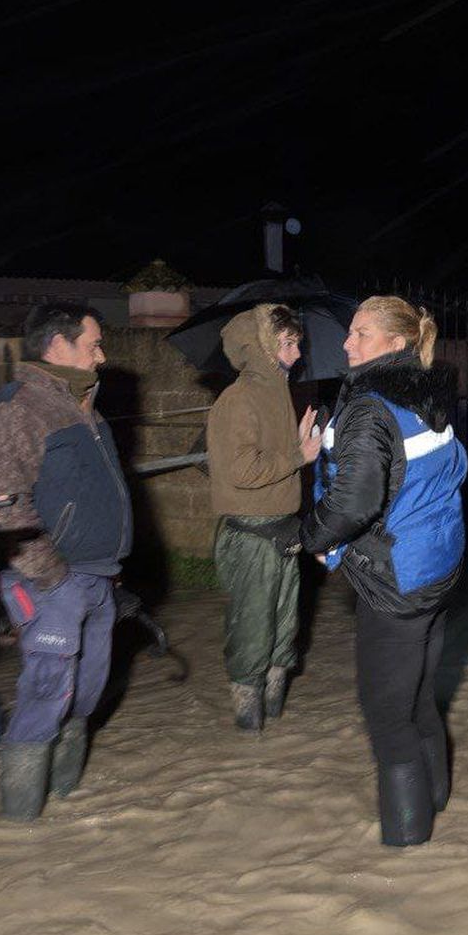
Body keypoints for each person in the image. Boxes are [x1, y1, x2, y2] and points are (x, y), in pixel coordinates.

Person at [301, 296, 467, 847]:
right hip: (438, 570)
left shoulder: (371, 408)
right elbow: (448, 469)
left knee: (386, 715)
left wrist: (307, 535)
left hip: (396, 581)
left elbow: (354, 503)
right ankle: (436, 803)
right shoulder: (425, 397)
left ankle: (406, 851)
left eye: (362, 334)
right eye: (350, 332)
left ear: (395, 344)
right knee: (419, 698)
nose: (348, 343)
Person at [0, 302, 132, 821]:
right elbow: (2, 507)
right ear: (58, 345)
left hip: (99, 575)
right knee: (47, 691)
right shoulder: (15, 410)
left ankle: (66, 805)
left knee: (87, 692)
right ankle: (19, 821)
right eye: (94, 345)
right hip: (51, 578)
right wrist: (49, 574)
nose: (103, 357)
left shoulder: (86, 409)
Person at [206, 304, 321, 731]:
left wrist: (296, 445)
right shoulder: (239, 399)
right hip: (251, 535)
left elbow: (274, 460)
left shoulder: (276, 393)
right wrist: (297, 454)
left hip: (281, 530)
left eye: (297, 344)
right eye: (289, 344)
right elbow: (242, 470)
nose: (297, 354)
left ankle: (272, 736)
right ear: (264, 347)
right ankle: (247, 729)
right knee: (252, 631)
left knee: (282, 632)